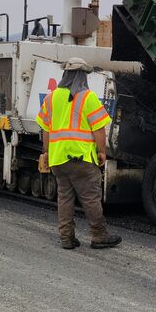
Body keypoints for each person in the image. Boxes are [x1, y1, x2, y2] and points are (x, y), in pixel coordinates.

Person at [36, 58, 122, 250]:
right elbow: (99, 129)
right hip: (81, 158)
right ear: (82, 76)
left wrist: (46, 153)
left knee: (64, 198)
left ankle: (67, 238)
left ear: (65, 75)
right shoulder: (87, 97)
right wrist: (101, 152)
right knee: (90, 198)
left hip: (58, 159)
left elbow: (46, 130)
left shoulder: (51, 98)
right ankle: (99, 235)